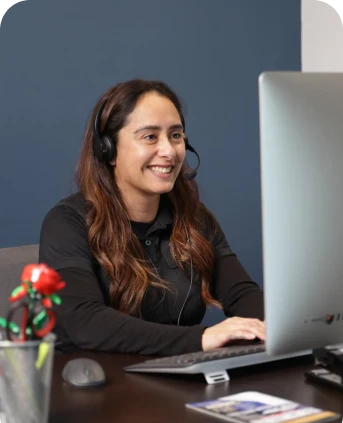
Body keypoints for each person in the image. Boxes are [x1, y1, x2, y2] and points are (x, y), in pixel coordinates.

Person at [39, 79, 265, 356]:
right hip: (96, 384)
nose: (169, 151)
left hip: (175, 381)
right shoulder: (67, 222)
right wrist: (202, 338)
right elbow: (84, 320)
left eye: (175, 135)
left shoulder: (196, 219)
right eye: (150, 136)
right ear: (108, 150)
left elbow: (243, 295)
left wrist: (278, 326)